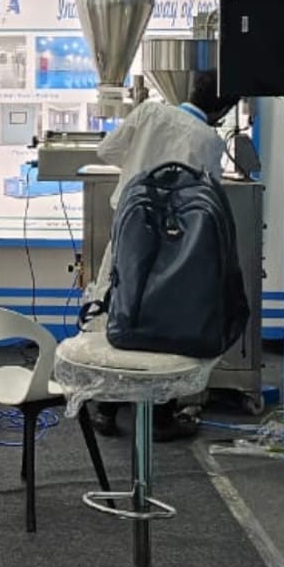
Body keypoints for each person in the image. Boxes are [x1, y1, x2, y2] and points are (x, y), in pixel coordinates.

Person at [86, 71, 233, 442]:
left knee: (115, 308)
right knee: (166, 317)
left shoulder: (149, 112)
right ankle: (161, 416)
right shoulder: (209, 140)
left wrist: (137, 164)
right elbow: (208, 194)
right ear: (223, 111)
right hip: (177, 242)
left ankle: (105, 408)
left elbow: (106, 151)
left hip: (129, 230)